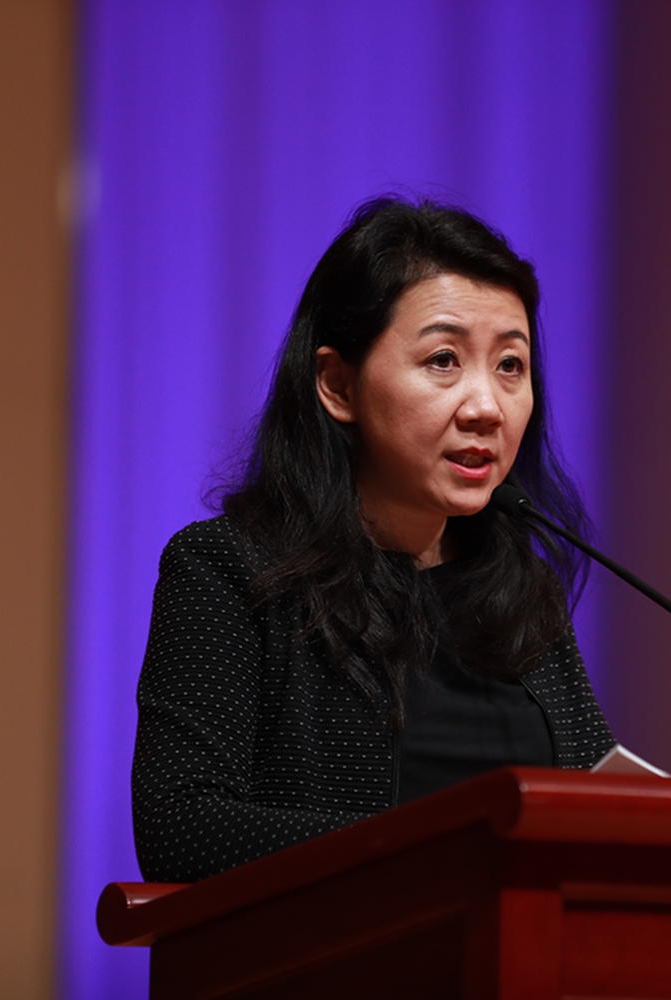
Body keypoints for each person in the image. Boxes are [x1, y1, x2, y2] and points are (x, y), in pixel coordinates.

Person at [132, 197, 615, 883]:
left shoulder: (519, 590)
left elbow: (596, 803)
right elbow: (181, 827)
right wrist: (446, 849)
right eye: (444, 359)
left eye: (511, 365)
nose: (487, 407)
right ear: (338, 385)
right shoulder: (229, 571)